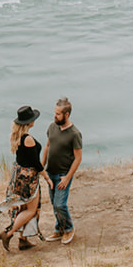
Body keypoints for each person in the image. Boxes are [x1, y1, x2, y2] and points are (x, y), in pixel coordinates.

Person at [0, 105, 45, 251]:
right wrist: (47, 178)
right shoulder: (28, 139)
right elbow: (35, 163)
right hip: (28, 178)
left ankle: (23, 239)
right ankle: (9, 233)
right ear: (29, 122)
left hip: (19, 176)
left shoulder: (18, 136)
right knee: (31, 209)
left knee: (24, 207)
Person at [42, 96, 83, 243]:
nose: (55, 116)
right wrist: (42, 166)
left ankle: (68, 228)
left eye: (58, 114)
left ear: (66, 115)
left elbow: (78, 158)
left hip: (63, 174)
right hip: (50, 172)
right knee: (54, 204)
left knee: (60, 204)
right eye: (54, 112)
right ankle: (59, 229)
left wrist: (67, 177)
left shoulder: (75, 134)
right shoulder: (52, 127)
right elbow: (47, 146)